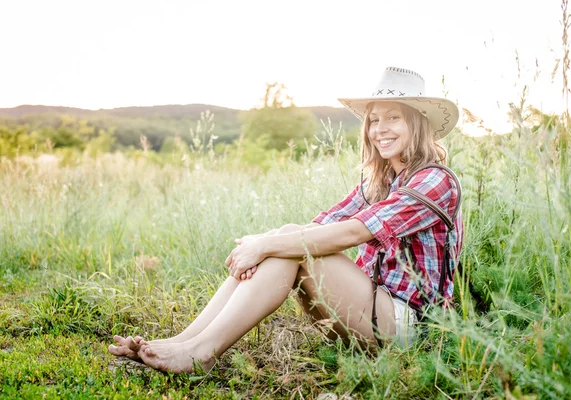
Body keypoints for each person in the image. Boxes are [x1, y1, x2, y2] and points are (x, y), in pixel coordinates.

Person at [108, 67, 463, 374]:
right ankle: (182, 342)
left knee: (286, 244)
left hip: (410, 327)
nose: (378, 129)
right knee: (288, 239)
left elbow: (355, 231)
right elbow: (320, 226)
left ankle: (200, 354)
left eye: (392, 118)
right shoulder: (379, 183)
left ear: (416, 122)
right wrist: (265, 242)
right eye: (374, 119)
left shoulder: (435, 181)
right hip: (373, 311)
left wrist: (266, 245)